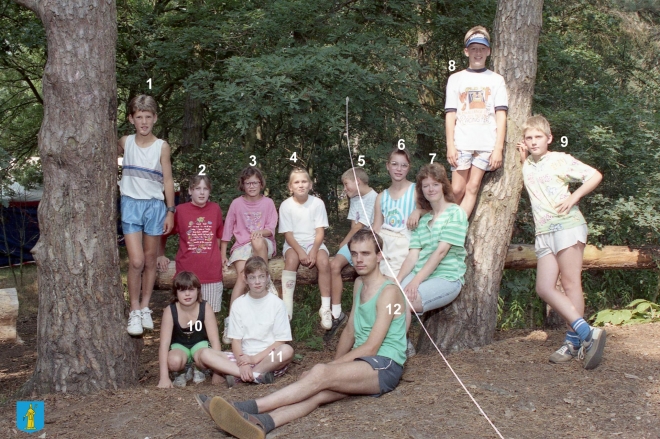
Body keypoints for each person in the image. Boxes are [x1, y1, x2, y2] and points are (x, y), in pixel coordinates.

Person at [195, 229, 407, 439]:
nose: (358, 259)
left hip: (385, 365)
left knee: (320, 375)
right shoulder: (360, 284)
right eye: (355, 253)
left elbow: (371, 347)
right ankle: (263, 423)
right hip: (364, 364)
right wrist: (333, 368)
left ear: (379, 256)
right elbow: (350, 330)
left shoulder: (389, 292)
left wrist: (328, 369)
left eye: (366, 253)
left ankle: (246, 407)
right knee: (317, 394)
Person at [517, 115, 605, 369]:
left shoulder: (559, 159)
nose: (534, 142)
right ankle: (587, 333)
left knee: (569, 283)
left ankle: (573, 342)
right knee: (544, 287)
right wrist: (523, 156)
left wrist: (574, 197)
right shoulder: (528, 165)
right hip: (543, 232)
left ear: (549, 138)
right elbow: (531, 171)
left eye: (538, 137)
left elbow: (594, 175)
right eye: (529, 138)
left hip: (567, 227)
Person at [118, 94, 175, 336]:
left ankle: (145, 307)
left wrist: (170, 211)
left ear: (155, 118)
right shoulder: (125, 142)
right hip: (131, 204)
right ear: (131, 119)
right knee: (137, 261)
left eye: (148, 117)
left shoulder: (161, 146)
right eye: (139, 117)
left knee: (151, 260)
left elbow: (169, 179)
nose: (143, 122)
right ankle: (133, 309)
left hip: (154, 205)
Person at [445, 26, 508, 218]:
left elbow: (501, 115)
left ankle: (456, 227)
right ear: (466, 51)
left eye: (482, 48)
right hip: (462, 142)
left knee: (473, 187)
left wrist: (498, 148)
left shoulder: (496, 80)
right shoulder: (456, 79)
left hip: (486, 144)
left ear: (488, 51)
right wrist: (450, 145)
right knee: (456, 189)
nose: (478, 53)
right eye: (474, 48)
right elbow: (450, 114)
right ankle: (441, 221)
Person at [397, 164, 468, 327]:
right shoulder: (422, 221)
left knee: (403, 304)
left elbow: (441, 252)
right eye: (426, 186)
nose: (431, 189)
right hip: (419, 274)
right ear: (421, 190)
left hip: (446, 277)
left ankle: (398, 349)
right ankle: (397, 345)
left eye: (435, 184)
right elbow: (412, 255)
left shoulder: (455, 213)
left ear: (444, 185)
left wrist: (415, 281)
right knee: (388, 297)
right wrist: (398, 279)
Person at [220, 166, 278, 343]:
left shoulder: (268, 203)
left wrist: (259, 232)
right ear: (242, 185)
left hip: (264, 244)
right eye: (248, 183)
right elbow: (227, 229)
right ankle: (230, 323)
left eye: (255, 182)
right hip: (241, 246)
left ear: (261, 184)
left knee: (257, 240)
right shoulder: (237, 204)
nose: (252, 186)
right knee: (242, 276)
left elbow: (271, 228)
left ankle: (266, 281)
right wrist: (222, 254)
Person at [157, 175, 224, 313]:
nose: (201, 192)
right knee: (184, 318)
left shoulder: (215, 209)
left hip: (211, 274)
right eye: (197, 188)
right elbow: (164, 233)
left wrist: (220, 255)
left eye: (205, 189)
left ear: (209, 191)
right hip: (186, 275)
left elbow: (219, 235)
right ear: (190, 191)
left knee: (209, 316)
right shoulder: (180, 210)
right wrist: (160, 255)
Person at [326, 167, 377, 340]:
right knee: (334, 265)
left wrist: (345, 242)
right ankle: (336, 312)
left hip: (367, 242)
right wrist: (347, 243)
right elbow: (353, 224)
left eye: (346, 184)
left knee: (363, 278)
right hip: (355, 241)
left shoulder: (373, 198)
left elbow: (360, 226)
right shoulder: (355, 198)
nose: (345, 188)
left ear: (358, 181)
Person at [278, 168, 332, 328]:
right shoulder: (286, 205)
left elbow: (320, 232)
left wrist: (314, 251)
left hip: (313, 242)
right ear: (290, 187)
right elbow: (287, 234)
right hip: (293, 243)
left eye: (304, 181)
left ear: (310, 185)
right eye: (296, 182)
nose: (300, 185)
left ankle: (325, 308)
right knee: (292, 260)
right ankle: (287, 308)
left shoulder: (317, 203)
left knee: (323, 262)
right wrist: (301, 252)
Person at [157, 271, 222, 388]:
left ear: (198, 290)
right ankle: (181, 371)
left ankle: (200, 369)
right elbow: (164, 344)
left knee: (206, 357)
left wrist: (218, 372)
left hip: (200, 345)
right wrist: (164, 377)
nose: (187, 294)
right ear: (176, 293)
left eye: (191, 289)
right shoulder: (170, 310)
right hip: (179, 346)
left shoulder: (205, 307)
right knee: (174, 362)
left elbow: (214, 340)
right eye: (182, 290)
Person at [372, 147, 423, 279]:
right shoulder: (381, 197)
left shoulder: (416, 190)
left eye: (403, 165)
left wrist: (418, 211)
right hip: (386, 246)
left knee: (390, 281)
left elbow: (433, 211)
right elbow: (377, 228)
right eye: (394, 164)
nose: (399, 169)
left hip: (406, 247)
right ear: (387, 166)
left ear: (409, 167)